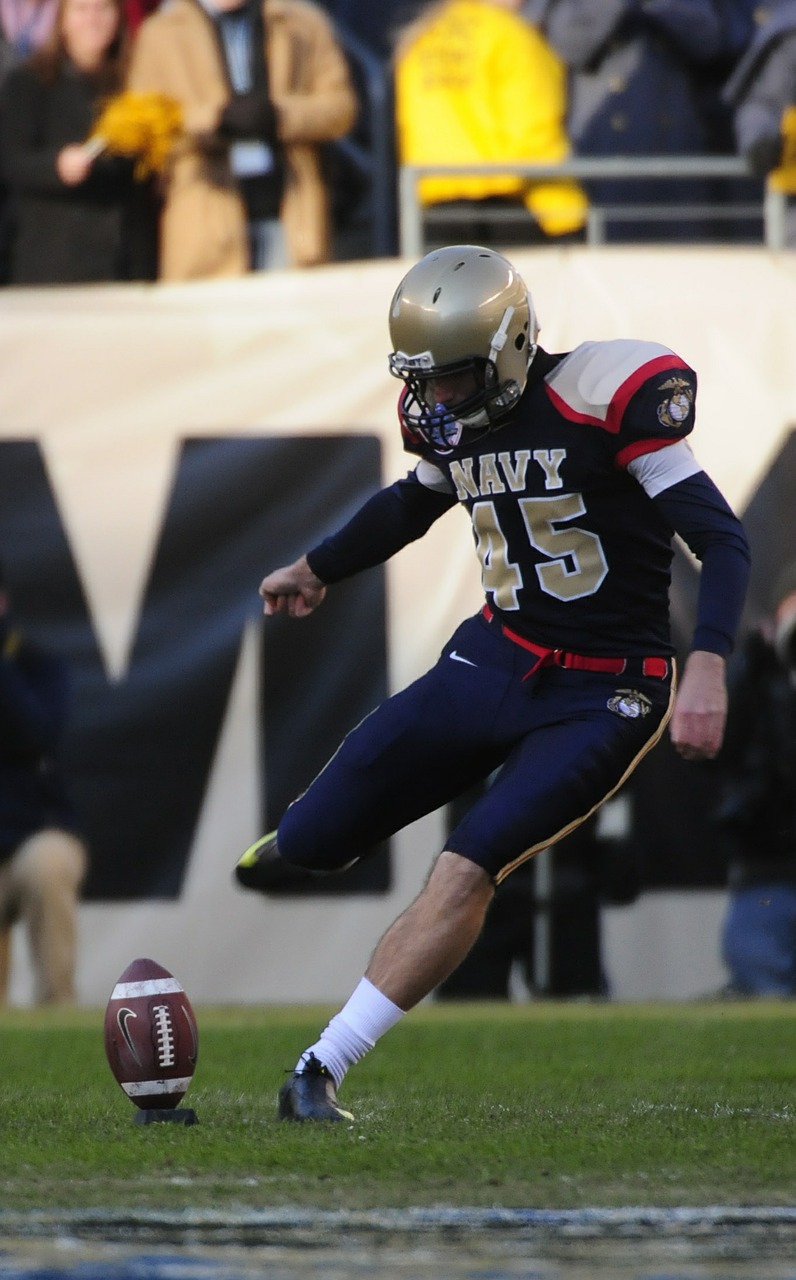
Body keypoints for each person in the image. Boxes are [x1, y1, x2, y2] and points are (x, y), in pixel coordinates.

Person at [235, 243, 750, 1121]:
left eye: (451, 377)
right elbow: (414, 500)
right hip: (496, 656)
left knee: (467, 866)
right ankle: (311, 838)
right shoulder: (457, 419)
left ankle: (321, 1067)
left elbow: (723, 541)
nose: (435, 399)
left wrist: (707, 662)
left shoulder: (603, 396)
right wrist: (318, 566)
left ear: (511, 348)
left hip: (606, 688)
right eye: (422, 379)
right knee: (317, 837)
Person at [125, 0, 358, 279]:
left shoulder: (300, 21)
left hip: (291, 218)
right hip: (204, 225)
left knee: (292, 319)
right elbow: (142, 128)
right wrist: (214, 120)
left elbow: (341, 108)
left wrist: (280, 116)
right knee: (210, 320)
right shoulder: (162, 32)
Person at [529, 0, 735, 242]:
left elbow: (708, 41)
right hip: (604, 155)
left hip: (673, 155)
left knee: (683, 264)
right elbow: (571, 45)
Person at [392, 0, 588, 249]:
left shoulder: (422, 37)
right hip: (513, 210)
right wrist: (568, 219)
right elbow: (536, 138)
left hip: (435, 209)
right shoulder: (512, 37)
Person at [0, 0, 155, 284]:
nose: (92, 19)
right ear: (62, 21)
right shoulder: (29, 82)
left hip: (121, 261)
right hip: (55, 262)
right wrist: (55, 167)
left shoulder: (133, 83)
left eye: (103, 9)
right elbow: (11, 161)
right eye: (81, 9)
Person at [0, 562, 87, 1005]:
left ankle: (57, 1007)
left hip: (37, 835)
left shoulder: (39, 667)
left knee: (48, 865)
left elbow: (36, 734)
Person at [713, 562, 796, 996]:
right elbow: (719, 753)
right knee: (766, 996)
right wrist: (752, 670)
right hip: (767, 877)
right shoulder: (757, 677)